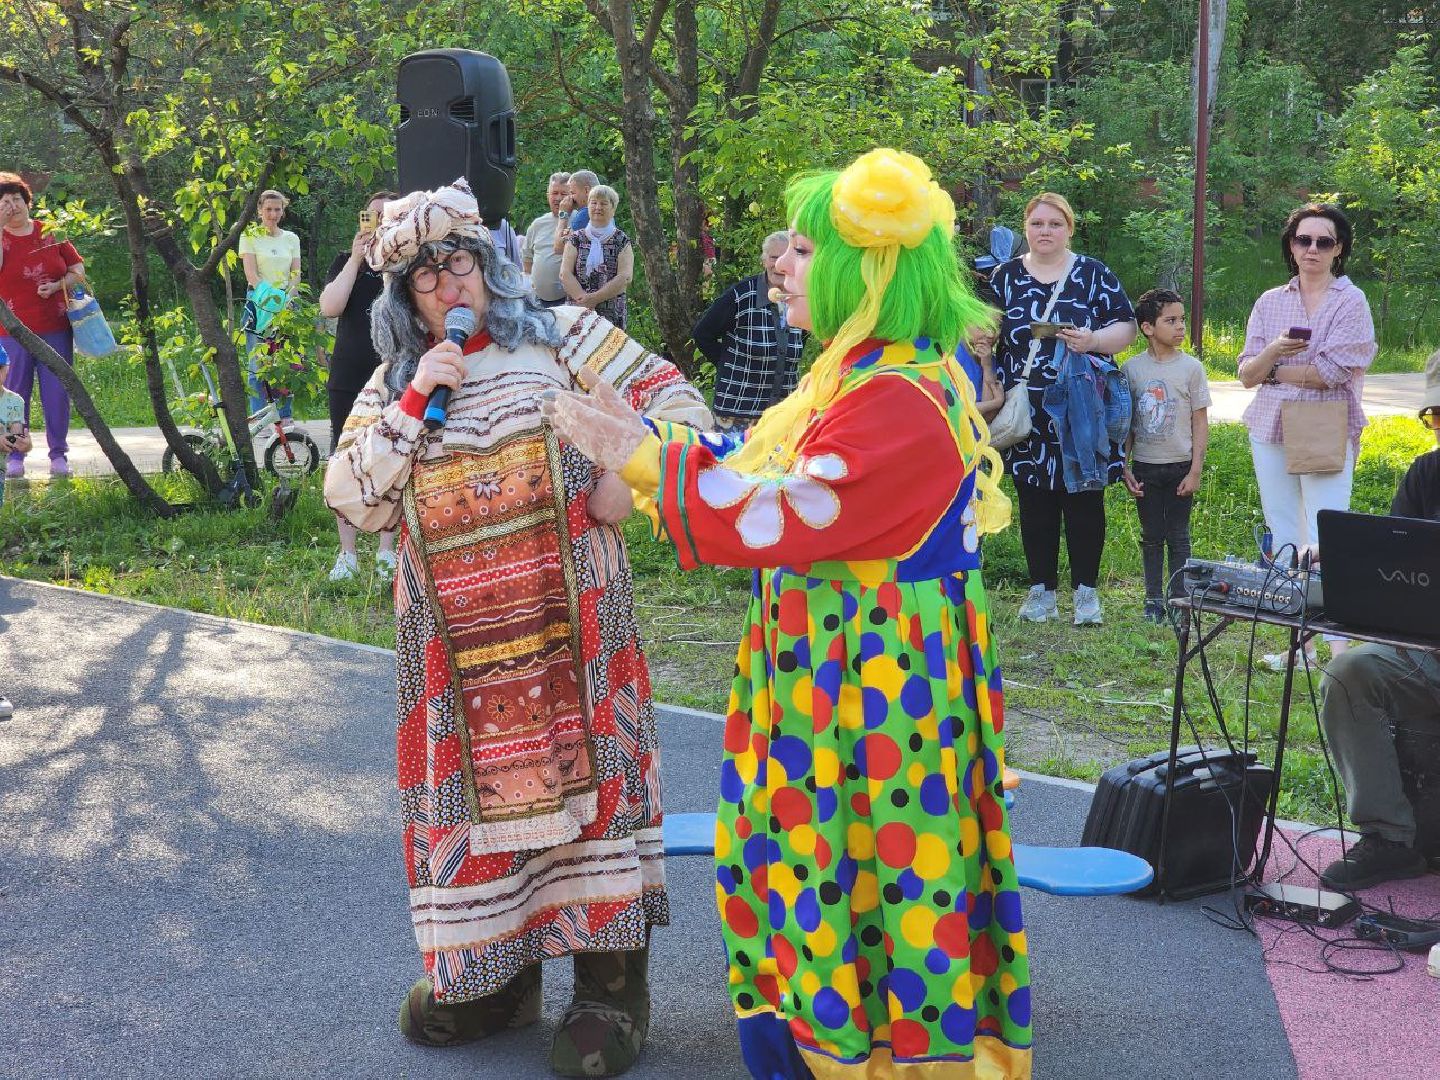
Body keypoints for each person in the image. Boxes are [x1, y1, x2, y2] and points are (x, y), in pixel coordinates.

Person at [544, 148, 1032, 1080]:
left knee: (874, 871)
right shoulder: (860, 377)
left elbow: (783, 510)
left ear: (870, 269)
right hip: (833, 674)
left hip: (874, 691)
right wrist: (655, 442)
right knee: (822, 866)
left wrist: (643, 458)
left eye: (805, 250)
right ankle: (822, 1043)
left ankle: (870, 1060)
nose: (782, 264)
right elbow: (759, 462)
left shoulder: (899, 396)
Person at [323, 178, 711, 1077]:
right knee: (471, 805)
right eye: (423, 276)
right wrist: (420, 396)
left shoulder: (567, 338)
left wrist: (626, 485)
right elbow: (354, 498)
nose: (446, 284)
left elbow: (682, 407)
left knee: (592, 799)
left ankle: (612, 988)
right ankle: (496, 978)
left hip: (573, 634)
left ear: (490, 261)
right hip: (454, 657)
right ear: (402, 297)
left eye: (458, 260)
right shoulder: (397, 384)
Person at [1317, 349, 1440, 891]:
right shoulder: (1427, 473)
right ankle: (1390, 837)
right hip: (1428, 654)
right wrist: (1347, 565)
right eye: (1437, 417)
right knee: (1351, 673)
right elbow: (1394, 574)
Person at [1237, 202, 1375, 666]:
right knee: (1283, 532)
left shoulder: (1350, 300)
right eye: (1303, 239)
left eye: (1324, 241)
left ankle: (1339, 649)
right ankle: (1301, 647)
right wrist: (1277, 351)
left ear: (1339, 249)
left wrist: (1275, 369)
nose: (1312, 249)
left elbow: (1335, 372)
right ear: (1290, 245)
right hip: (1270, 426)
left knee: (1327, 532)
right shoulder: (1270, 300)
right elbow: (1245, 374)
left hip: (1324, 424)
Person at [991, 192, 1137, 626]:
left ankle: (1086, 595)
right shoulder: (1004, 277)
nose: (1045, 232)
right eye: (1037, 224)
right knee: (1034, 501)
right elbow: (986, 331)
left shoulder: (1092, 274)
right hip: (1028, 410)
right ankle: (1041, 592)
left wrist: (1092, 340)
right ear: (1025, 228)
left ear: (1069, 228)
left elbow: (1126, 327)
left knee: (1084, 500)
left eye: (1055, 224)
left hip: (1082, 408)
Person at [317, 191, 399, 582]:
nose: (380, 223)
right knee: (344, 457)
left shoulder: (408, 263)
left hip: (393, 375)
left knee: (392, 457)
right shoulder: (346, 261)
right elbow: (330, 307)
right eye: (374, 216)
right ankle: (347, 554)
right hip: (349, 373)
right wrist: (355, 257)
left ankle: (387, 552)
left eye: (389, 217)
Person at [1122, 289, 1211, 623]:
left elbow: (1200, 422)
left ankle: (1179, 599)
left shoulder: (1191, 368)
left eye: (1181, 320)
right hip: (1146, 465)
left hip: (1180, 466)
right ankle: (1152, 601)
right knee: (1151, 537)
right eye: (1170, 320)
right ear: (1147, 327)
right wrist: (1124, 466)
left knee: (1179, 536)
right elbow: (1128, 424)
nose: (1179, 327)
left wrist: (1196, 470)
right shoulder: (1132, 370)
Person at [0, 171, 85, 478]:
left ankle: (58, 455)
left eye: (17, 199)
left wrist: (59, 283)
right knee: (12, 394)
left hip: (55, 327)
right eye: (4, 202)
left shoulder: (52, 231)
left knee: (57, 394)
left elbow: (78, 269)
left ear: (28, 202)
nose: (12, 206)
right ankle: (14, 457)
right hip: (10, 333)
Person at [691, 231, 806, 430]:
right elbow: (702, 333)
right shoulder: (741, 296)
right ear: (764, 261)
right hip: (737, 414)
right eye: (773, 258)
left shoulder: (799, 298)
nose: (778, 265)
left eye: (784, 258)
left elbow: (801, 340)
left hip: (782, 414)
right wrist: (727, 364)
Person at [239, 189, 302, 418]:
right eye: (268, 209)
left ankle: (285, 417)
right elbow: (251, 274)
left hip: (287, 305)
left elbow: (296, 274)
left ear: (283, 211)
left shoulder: (291, 238)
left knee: (286, 364)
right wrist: (272, 300)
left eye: (277, 209)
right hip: (259, 303)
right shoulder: (249, 235)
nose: (273, 214)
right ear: (259, 210)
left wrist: (287, 299)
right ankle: (260, 419)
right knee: (258, 366)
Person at [559, 184, 633, 329]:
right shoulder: (576, 239)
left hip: (611, 315)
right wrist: (583, 301)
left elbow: (625, 277)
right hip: (577, 312)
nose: (598, 207)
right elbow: (565, 274)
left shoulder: (621, 240)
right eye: (594, 202)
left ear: (613, 209)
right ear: (588, 206)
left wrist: (593, 299)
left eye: (604, 203)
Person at [522, 172, 571, 306]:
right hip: (538, 302)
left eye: (563, 194)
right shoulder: (538, 224)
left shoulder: (578, 221)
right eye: (554, 193)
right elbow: (527, 259)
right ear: (548, 196)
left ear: (572, 196)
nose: (558, 198)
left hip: (568, 302)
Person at [552, 169, 598, 256]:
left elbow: (559, 248)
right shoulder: (606, 212)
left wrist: (563, 214)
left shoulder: (586, 213)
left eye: (573, 193)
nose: (571, 198)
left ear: (586, 190)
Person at [968, 323, 1004, 421]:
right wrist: (995, 403)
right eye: (984, 325)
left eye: (998, 326)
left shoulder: (990, 359)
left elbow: (988, 417)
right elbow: (954, 411)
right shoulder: (950, 356)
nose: (991, 335)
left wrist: (987, 367)